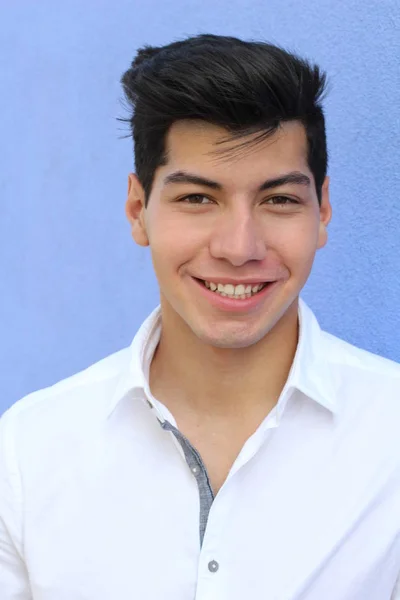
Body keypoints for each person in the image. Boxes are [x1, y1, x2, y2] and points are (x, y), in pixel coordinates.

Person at [1, 33, 399, 600]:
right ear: (138, 211)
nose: (240, 247)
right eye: (198, 199)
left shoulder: (392, 437)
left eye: (279, 199)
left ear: (323, 210)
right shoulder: (27, 451)